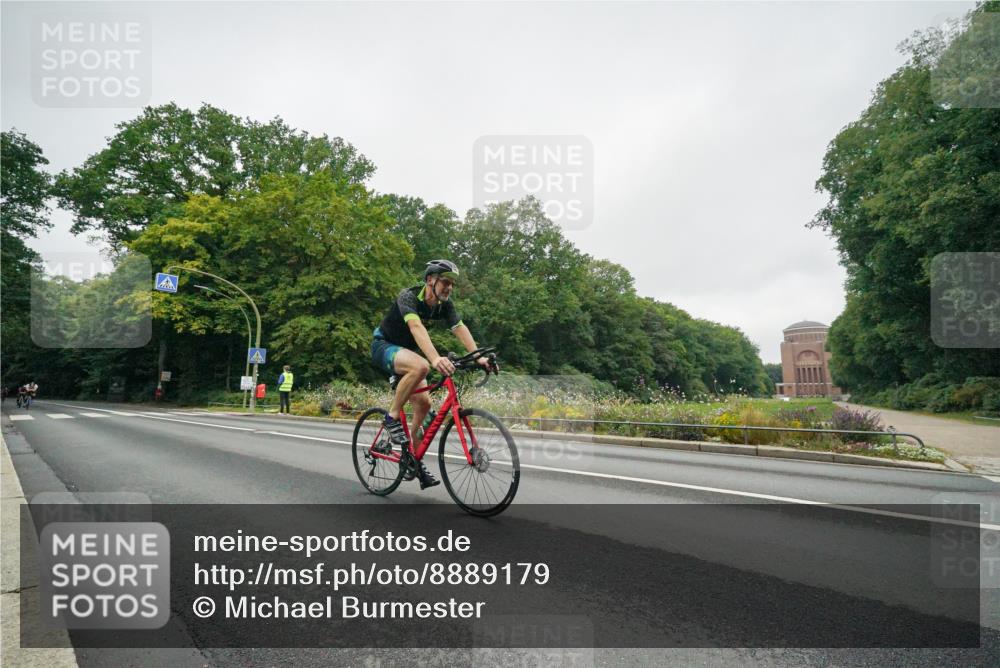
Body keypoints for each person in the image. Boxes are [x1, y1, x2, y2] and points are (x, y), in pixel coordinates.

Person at [370, 259, 492, 490]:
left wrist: (478, 357)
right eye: (445, 281)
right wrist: (435, 359)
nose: (449, 287)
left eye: (452, 284)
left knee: (424, 405)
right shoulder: (408, 296)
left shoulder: (444, 305)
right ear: (430, 280)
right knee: (422, 366)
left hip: (407, 353)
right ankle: (391, 417)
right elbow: (416, 327)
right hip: (383, 345)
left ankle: (412, 460)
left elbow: (459, 328)